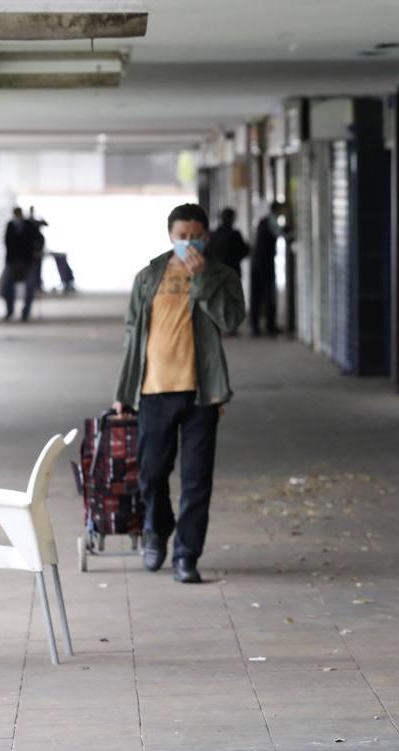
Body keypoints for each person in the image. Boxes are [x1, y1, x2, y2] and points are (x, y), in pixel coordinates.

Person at [113, 203, 245, 584]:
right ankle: (157, 527)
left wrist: (203, 282)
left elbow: (232, 320)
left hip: (202, 392)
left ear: (206, 237)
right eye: (182, 236)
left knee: (196, 479)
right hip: (154, 390)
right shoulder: (149, 276)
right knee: (151, 474)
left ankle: (187, 555)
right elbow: (131, 335)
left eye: (196, 237)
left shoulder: (221, 274)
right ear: (170, 236)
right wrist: (123, 390)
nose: (189, 243)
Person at [249, 202, 286, 336]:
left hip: (257, 263)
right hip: (265, 264)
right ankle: (270, 326)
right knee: (269, 295)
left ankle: (255, 327)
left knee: (256, 296)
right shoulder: (272, 221)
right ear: (278, 210)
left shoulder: (262, 221)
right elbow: (282, 234)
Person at [0, 207, 38, 321]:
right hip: (12, 261)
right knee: (6, 286)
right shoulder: (10, 225)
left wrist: (37, 250)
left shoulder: (29, 225)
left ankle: (26, 311)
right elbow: (6, 242)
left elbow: (39, 238)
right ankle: (9, 310)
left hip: (27, 261)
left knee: (30, 287)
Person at [209, 208, 251, 277]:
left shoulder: (213, 234)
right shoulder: (235, 234)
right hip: (232, 272)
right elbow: (244, 251)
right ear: (232, 219)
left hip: (216, 273)